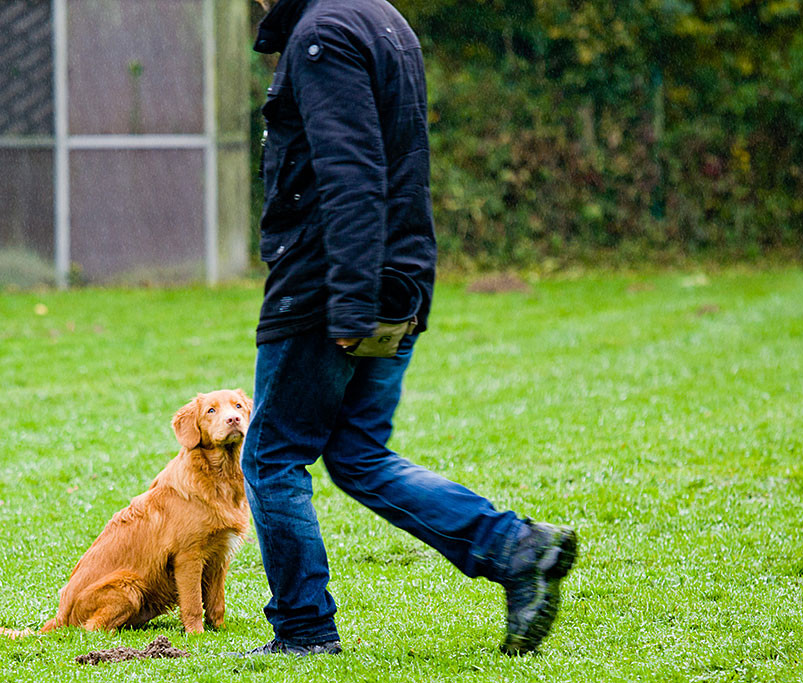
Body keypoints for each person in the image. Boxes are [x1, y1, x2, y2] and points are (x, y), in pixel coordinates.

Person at [233, 0, 578, 658]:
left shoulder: (321, 36)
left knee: (273, 457)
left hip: (330, 284)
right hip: (400, 273)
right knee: (358, 455)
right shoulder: (380, 16)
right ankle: (516, 547)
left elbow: (352, 172)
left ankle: (303, 630)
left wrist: (352, 303)